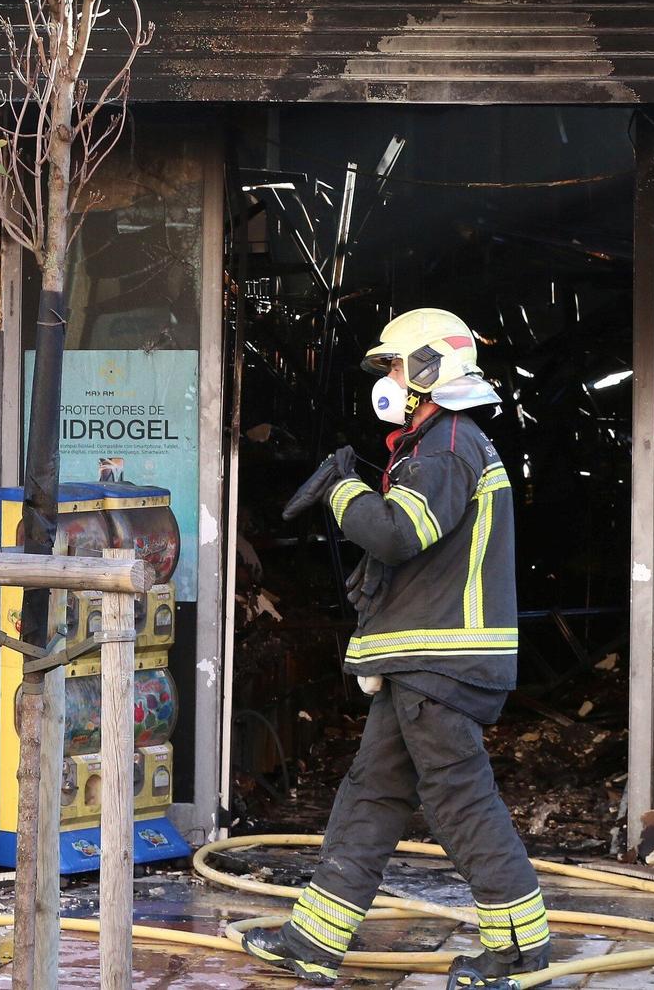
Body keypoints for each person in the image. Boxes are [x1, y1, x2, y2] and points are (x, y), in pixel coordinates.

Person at [245, 307, 548, 988]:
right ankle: (312, 942)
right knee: (372, 795)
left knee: (459, 801)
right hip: (420, 663)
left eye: (393, 365)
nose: (385, 378)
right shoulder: (434, 446)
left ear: (428, 371)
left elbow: (395, 534)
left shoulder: (446, 447)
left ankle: (521, 954)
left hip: (440, 665)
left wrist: (342, 489)